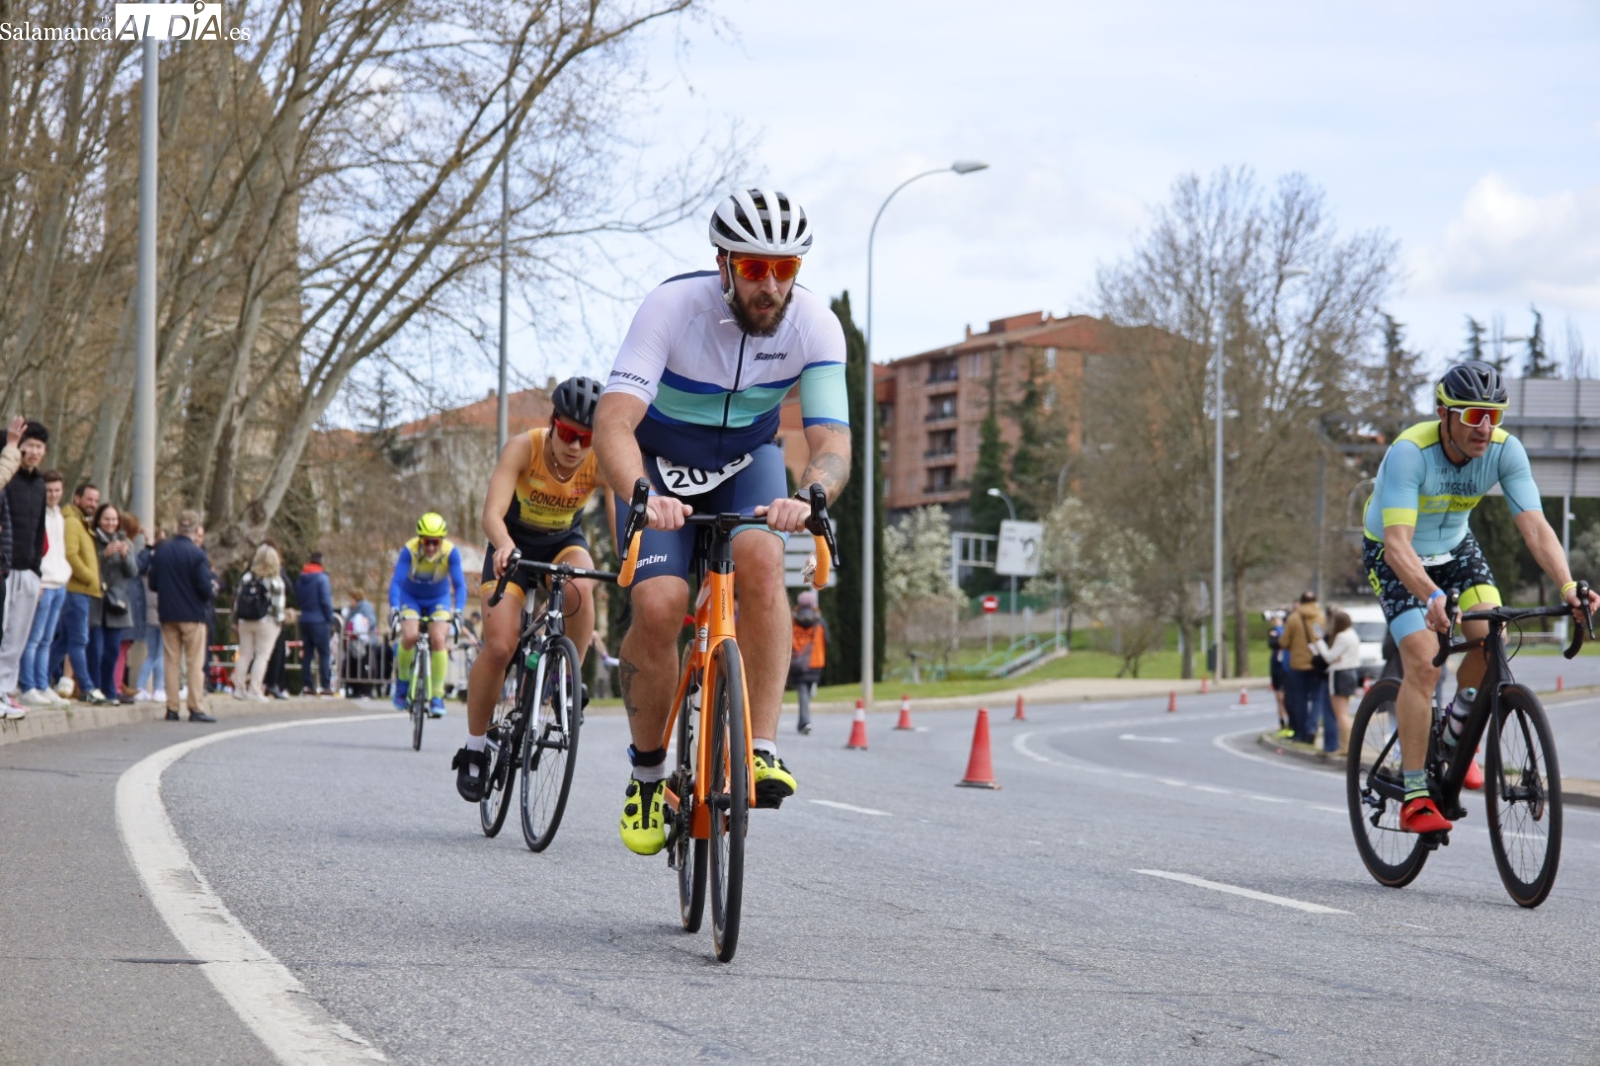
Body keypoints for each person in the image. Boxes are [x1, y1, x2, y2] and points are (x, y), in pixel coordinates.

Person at [593, 189, 851, 855]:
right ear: (724, 263)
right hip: (662, 469)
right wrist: (641, 493)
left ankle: (760, 747)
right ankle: (648, 775)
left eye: (784, 268)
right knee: (659, 604)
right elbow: (614, 421)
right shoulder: (673, 308)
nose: (770, 285)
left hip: (747, 463)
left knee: (764, 563)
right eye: (755, 268)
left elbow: (831, 443)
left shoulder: (816, 325)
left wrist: (813, 492)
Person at [1363, 360, 1600, 834]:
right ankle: (1414, 795)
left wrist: (1569, 585)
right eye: (1473, 416)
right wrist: (1430, 595)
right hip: (1397, 553)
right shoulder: (1412, 451)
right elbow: (1397, 543)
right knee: (1424, 662)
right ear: (1443, 413)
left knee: (1493, 634)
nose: (1485, 427)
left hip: (1456, 548)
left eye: (1495, 415)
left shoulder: (1505, 451)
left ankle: (1455, 733)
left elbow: (1534, 526)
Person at [453, 377, 609, 801]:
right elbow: (492, 514)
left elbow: (621, 521)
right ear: (553, 422)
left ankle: (563, 678)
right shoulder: (525, 447)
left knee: (583, 580)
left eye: (587, 438)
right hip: (514, 547)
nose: (576, 447)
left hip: (563, 545)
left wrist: (634, 562)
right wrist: (503, 545)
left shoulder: (601, 460)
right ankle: (474, 748)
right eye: (570, 434)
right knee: (501, 646)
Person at [388, 512, 466, 720]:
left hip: (438, 599)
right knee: (410, 636)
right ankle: (403, 683)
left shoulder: (451, 553)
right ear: (419, 539)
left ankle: (437, 696)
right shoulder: (409, 550)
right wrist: (395, 608)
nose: (431, 547)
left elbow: (459, 585)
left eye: (435, 542)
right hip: (411, 597)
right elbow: (396, 582)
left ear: (442, 540)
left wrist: (458, 611)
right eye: (426, 542)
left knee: (439, 639)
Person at [147, 510, 218, 722]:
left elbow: (153, 583)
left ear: (178, 526)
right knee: (195, 663)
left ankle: (172, 707)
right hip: (193, 615)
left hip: (168, 613)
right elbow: (205, 588)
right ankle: (195, 707)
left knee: (171, 661)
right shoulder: (197, 555)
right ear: (196, 530)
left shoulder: (163, 550)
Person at [0, 418, 47, 717]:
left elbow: (40, 529)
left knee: (18, 636)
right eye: (29, 445)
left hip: (28, 569)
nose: (34, 451)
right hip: (7, 567)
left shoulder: (40, 485)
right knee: (2, 632)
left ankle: (6, 689)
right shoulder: (9, 480)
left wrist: (37, 570)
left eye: (39, 446)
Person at [19, 470, 69, 708]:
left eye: (57, 490)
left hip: (60, 583)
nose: (53, 495)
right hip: (44, 583)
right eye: (49, 490)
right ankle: (28, 685)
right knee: (34, 638)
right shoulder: (39, 514)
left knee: (47, 638)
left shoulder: (59, 515)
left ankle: (42, 683)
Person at [60, 483, 105, 703]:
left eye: (96, 501)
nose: (93, 505)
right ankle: (86, 688)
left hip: (83, 591)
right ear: (77, 498)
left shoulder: (82, 523)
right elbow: (70, 554)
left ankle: (38, 681)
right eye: (89, 500)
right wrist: (89, 576)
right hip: (76, 589)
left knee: (63, 643)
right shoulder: (72, 522)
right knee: (79, 640)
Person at [88, 503, 138, 704]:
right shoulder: (92, 540)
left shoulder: (126, 542)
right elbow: (90, 566)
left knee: (112, 650)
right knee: (96, 649)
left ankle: (110, 690)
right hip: (97, 601)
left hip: (117, 604)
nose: (110, 523)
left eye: (114, 520)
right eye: (107, 519)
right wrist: (104, 555)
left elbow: (133, 572)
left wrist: (125, 556)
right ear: (99, 520)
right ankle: (94, 688)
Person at [233, 541, 286, 701]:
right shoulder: (275, 581)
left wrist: (235, 619)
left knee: (245, 654)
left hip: (245, 620)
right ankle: (254, 689)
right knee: (262, 656)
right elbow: (278, 608)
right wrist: (279, 623)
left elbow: (237, 600)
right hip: (266, 621)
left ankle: (238, 688)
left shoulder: (247, 578)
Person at [1276, 591, 1324, 745]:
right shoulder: (1320, 617)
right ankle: (1312, 728)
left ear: (1301, 602)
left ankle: (1302, 733)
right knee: (1317, 699)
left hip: (1298, 665)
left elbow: (1284, 642)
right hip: (1317, 664)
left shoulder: (1293, 618)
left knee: (1300, 700)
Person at [1313, 609, 1360, 756]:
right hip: (1351, 672)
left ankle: (1346, 746)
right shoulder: (1352, 634)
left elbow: (1329, 657)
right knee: (1345, 711)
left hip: (1340, 674)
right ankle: (1350, 745)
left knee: (1341, 714)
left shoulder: (1341, 636)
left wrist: (1319, 641)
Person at [295, 551, 335, 696]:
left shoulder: (301, 579)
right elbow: (326, 601)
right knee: (324, 653)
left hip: (305, 618)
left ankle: (307, 685)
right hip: (320, 620)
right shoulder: (322, 579)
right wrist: (330, 619)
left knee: (307, 655)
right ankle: (325, 685)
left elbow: (298, 599)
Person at [788, 589, 827, 735]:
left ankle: (803, 722)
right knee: (805, 693)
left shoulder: (793, 620)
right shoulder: (819, 620)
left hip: (797, 662)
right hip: (815, 662)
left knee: (803, 693)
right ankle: (804, 722)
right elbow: (827, 640)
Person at [134, 527, 166, 701]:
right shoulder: (164, 568)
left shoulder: (146, 566)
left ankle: (140, 686)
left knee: (151, 654)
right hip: (162, 614)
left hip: (147, 615)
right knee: (160, 654)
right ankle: (159, 688)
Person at [1265, 609, 1289, 738]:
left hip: (1287, 667)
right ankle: (1282, 722)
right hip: (1277, 668)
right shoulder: (1274, 631)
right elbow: (1273, 643)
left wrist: (1281, 628)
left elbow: (1286, 642)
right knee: (1279, 697)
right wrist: (1277, 628)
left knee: (1286, 697)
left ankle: (1290, 722)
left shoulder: (1287, 630)